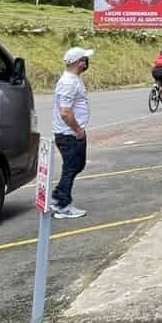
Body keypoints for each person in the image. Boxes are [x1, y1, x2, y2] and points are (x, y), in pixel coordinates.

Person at [51, 46, 92, 218]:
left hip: (71, 133)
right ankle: (62, 204)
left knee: (75, 166)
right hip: (70, 134)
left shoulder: (73, 79)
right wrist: (78, 130)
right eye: (85, 59)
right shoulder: (69, 82)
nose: (87, 62)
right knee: (71, 167)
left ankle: (59, 196)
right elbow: (65, 112)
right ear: (78, 62)